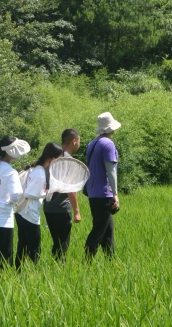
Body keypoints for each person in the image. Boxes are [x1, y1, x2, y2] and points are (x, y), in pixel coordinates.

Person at [0, 136, 30, 270]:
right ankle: (3, 282)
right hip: (2, 219)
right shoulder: (11, 172)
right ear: (9, 152)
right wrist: (10, 203)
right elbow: (15, 196)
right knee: (5, 258)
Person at [15, 142, 65, 269]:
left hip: (22, 212)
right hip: (30, 214)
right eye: (58, 159)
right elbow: (29, 193)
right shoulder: (40, 173)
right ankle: (34, 274)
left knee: (23, 246)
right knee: (34, 249)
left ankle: (17, 271)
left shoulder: (35, 169)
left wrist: (44, 192)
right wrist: (45, 193)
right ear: (52, 159)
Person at [84, 112, 121, 260]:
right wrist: (115, 194)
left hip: (93, 193)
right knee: (99, 230)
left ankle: (111, 262)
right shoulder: (108, 144)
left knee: (107, 231)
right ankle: (86, 261)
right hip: (104, 193)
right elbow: (111, 171)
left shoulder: (92, 143)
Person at [43, 128, 82, 261]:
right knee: (63, 246)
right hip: (61, 208)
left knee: (56, 243)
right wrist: (76, 211)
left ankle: (54, 268)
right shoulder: (69, 161)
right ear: (74, 141)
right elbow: (71, 189)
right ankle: (60, 269)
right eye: (79, 141)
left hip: (48, 207)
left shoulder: (52, 157)